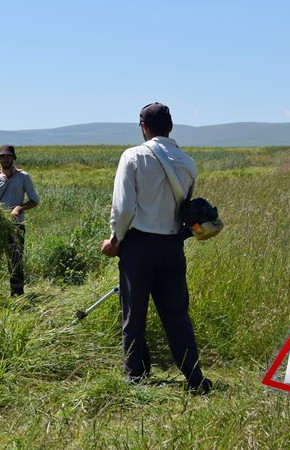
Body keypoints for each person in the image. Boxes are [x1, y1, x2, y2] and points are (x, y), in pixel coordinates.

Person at [101, 103, 212, 394]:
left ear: (143, 127)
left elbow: (123, 208)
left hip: (138, 246)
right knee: (177, 315)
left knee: (133, 317)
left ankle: (136, 378)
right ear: (171, 127)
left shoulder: (133, 156)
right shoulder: (187, 162)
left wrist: (114, 241)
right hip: (172, 248)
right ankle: (195, 377)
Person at [0, 145, 39, 296]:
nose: (6, 159)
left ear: (14, 158)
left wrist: (19, 208)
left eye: (8, 156)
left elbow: (34, 200)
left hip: (16, 226)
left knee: (15, 260)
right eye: (3, 156)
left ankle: (17, 294)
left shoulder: (24, 177)